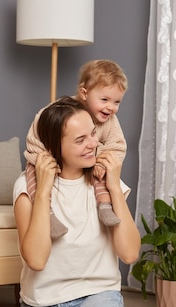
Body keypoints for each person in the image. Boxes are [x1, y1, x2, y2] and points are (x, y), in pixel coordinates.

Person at [9, 96, 160, 307]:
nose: (93, 144)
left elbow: (129, 253)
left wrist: (114, 185)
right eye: (80, 140)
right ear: (54, 148)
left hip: (97, 297)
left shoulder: (105, 183)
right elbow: (36, 260)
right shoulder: (27, 189)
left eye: (93, 134)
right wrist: (43, 191)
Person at [24, 59, 128, 239]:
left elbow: (117, 146)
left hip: (86, 162)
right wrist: (45, 159)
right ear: (84, 93)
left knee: (100, 172)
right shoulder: (59, 111)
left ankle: (104, 205)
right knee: (33, 177)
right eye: (104, 100)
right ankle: (47, 213)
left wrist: (102, 162)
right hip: (45, 156)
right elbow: (35, 137)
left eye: (117, 102)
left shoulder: (110, 121)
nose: (111, 107)